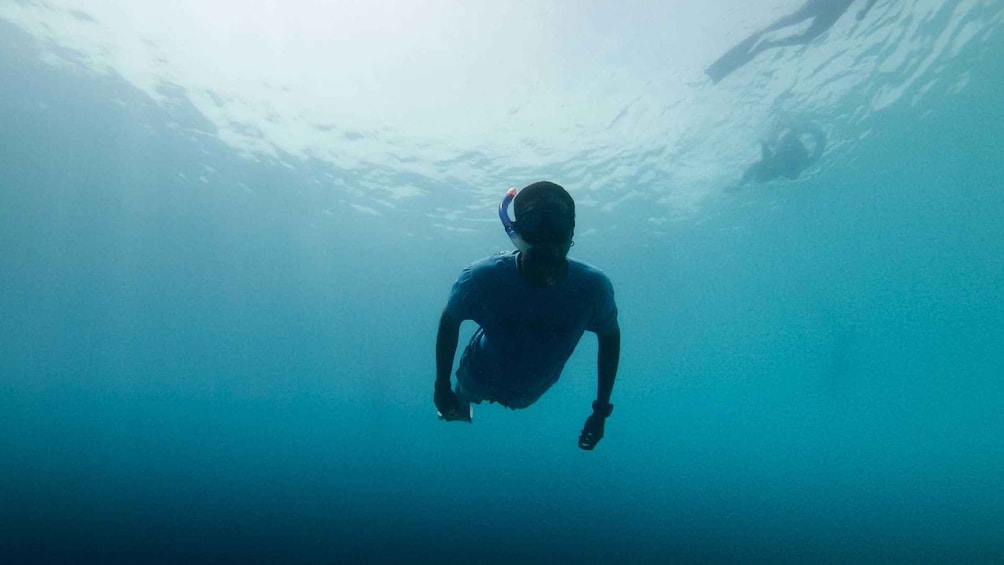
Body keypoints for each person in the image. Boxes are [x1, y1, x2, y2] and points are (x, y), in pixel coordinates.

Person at [434, 181, 621, 451]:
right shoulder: (482, 278)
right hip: (479, 372)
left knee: (506, 399)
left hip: (529, 391)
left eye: (554, 226)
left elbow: (610, 337)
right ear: (518, 232)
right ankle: (460, 405)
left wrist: (601, 411)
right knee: (464, 394)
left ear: (570, 232)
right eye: (535, 226)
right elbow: (450, 319)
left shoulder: (593, 289)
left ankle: (462, 401)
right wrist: (442, 388)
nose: (547, 242)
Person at [706, 0, 879, 84]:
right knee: (793, 20)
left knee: (807, 36)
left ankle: (766, 44)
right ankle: (762, 35)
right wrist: (865, 9)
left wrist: (866, 9)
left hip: (836, 10)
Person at [740, 124, 826, 185]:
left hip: (789, 142)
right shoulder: (792, 172)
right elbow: (815, 157)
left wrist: (741, 184)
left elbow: (757, 165)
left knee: (777, 138)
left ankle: (786, 124)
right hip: (790, 144)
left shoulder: (788, 170)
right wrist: (819, 136)